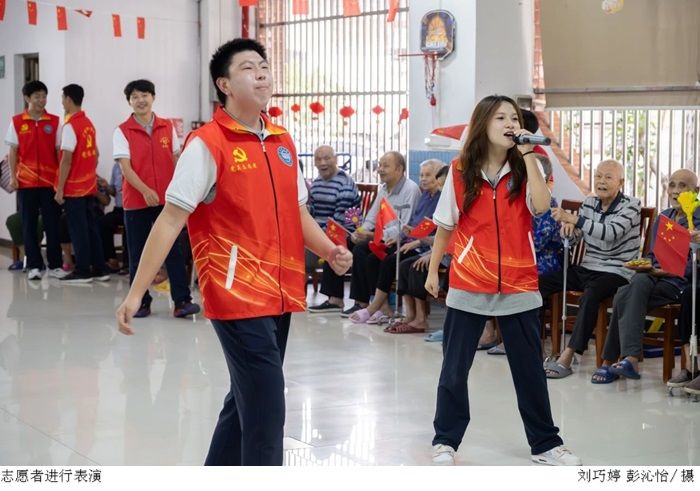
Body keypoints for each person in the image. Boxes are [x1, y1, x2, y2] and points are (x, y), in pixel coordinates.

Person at [116, 38, 353, 466]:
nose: (261, 73)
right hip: (235, 293)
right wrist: (136, 292)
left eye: (263, 66)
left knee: (246, 399)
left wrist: (328, 249)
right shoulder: (207, 144)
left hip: (280, 291)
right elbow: (170, 219)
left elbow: (297, 211)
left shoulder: (281, 141)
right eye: (247, 68)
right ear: (224, 84)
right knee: (267, 408)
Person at [424, 95, 580, 466]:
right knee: (454, 369)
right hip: (469, 280)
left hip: (519, 282)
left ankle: (546, 443)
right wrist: (432, 270)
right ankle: (445, 440)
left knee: (529, 371)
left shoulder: (528, 166)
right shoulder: (460, 170)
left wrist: (528, 155)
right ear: (483, 124)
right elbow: (446, 223)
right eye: (501, 118)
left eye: (514, 118)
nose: (510, 124)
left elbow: (540, 207)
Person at [593, 169, 700, 383]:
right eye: (672, 185)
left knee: (623, 294)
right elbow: (652, 255)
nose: (675, 191)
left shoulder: (696, 221)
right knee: (636, 283)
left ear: (696, 191)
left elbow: (693, 266)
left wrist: (665, 271)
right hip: (652, 278)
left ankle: (615, 360)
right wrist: (645, 264)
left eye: (682, 186)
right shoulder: (664, 217)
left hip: (677, 283)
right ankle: (627, 360)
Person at [539, 159, 641, 378]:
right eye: (598, 176)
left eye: (608, 177)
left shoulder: (631, 205)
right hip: (588, 266)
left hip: (617, 270)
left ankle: (568, 356)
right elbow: (579, 236)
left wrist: (574, 219)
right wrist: (569, 231)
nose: (601, 181)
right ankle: (536, 346)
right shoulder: (589, 203)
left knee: (591, 293)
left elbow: (610, 233)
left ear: (621, 182)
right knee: (540, 283)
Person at [113, 79, 199, 318]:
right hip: (136, 202)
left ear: (153, 97)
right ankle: (141, 302)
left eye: (145, 95)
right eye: (135, 97)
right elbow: (126, 168)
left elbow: (176, 159)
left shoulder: (166, 126)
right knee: (138, 253)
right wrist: (144, 190)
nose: (140, 100)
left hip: (166, 201)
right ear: (129, 102)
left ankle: (182, 301)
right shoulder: (122, 131)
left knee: (172, 250)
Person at [349, 159, 444, 325]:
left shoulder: (438, 199)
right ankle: (382, 307)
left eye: (428, 175)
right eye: (421, 175)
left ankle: (375, 308)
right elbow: (412, 224)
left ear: (439, 178)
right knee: (371, 257)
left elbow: (438, 233)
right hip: (409, 241)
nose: (423, 179)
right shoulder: (426, 196)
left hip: (423, 247)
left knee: (391, 261)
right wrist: (399, 236)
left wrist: (414, 241)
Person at [340, 151, 421, 317]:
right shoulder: (384, 189)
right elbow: (371, 217)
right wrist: (360, 232)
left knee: (367, 253)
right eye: (379, 165)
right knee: (352, 244)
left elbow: (404, 227)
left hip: (400, 241)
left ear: (399, 169)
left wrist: (373, 236)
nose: (380, 169)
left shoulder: (411, 189)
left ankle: (376, 305)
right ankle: (362, 302)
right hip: (383, 238)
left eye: (385, 166)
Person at [4, 80, 67, 280]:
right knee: (28, 225)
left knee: (52, 224)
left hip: (49, 183)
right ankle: (34, 265)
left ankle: (55, 265)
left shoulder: (55, 122)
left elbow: (59, 152)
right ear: (27, 98)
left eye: (44, 96)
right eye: (37, 96)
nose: (41, 100)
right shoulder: (17, 122)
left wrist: (60, 183)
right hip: (26, 183)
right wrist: (13, 177)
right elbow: (13, 152)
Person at [54, 84, 109, 283]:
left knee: (78, 230)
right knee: (90, 227)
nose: (62, 102)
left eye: (63, 98)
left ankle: (83, 271)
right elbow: (96, 154)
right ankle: (100, 269)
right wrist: (89, 174)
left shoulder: (71, 126)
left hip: (74, 188)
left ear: (68, 99)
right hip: (88, 186)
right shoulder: (88, 124)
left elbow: (66, 160)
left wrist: (60, 188)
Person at [305, 144, 361, 313]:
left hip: (345, 232)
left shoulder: (345, 183)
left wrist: (315, 234)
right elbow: (313, 212)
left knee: (332, 244)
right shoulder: (316, 183)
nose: (322, 163)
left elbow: (339, 221)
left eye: (327, 158)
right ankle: (296, 295)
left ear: (335, 160)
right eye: (318, 159)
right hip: (322, 230)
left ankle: (335, 300)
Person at [99, 162, 128, 273]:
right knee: (103, 222)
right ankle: (111, 259)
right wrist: (107, 187)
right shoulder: (116, 166)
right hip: (119, 209)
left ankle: (127, 263)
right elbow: (114, 192)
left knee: (129, 225)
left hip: (131, 208)